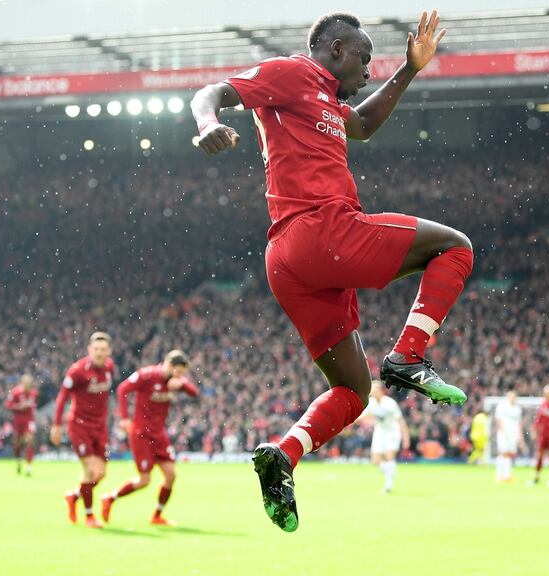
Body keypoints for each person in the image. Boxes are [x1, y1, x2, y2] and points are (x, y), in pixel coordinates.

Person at [191, 9, 473, 532]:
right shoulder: (293, 73)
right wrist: (209, 122)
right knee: (456, 249)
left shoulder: (325, 101)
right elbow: (211, 91)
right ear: (336, 49)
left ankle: (283, 455)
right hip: (322, 231)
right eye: (364, 59)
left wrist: (410, 70)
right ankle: (408, 358)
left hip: (290, 262)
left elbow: (362, 125)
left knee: (353, 392)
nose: (368, 69)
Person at [102, 350, 198, 526]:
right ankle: (110, 498)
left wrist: (183, 384)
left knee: (171, 475)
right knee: (144, 480)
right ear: (168, 365)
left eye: (182, 374)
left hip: (159, 434)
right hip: (141, 434)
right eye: (178, 372)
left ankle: (157, 515)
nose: (180, 376)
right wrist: (124, 418)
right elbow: (123, 389)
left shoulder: (176, 380)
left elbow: (194, 393)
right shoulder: (147, 375)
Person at [52, 332, 115, 529]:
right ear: (90, 350)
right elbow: (62, 396)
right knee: (90, 470)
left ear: (109, 352)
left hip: (100, 426)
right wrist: (56, 424)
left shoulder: (110, 367)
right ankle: (89, 516)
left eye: (103, 350)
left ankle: (75, 496)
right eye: (96, 349)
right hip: (79, 425)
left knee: (101, 474)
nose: (99, 353)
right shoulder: (77, 371)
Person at [356, 380, 410, 493]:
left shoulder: (390, 403)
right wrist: (353, 419)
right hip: (379, 432)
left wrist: (406, 439)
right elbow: (364, 416)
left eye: (374, 388)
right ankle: (391, 470)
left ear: (380, 390)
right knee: (375, 461)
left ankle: (388, 485)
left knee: (389, 457)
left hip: (392, 432)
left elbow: (401, 421)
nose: (372, 391)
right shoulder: (371, 402)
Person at [4, 374, 39, 476]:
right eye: (26, 383)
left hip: (29, 420)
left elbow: (34, 406)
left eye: (29, 383)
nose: (28, 385)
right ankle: (18, 460)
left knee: (30, 441)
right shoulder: (15, 392)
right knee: (18, 443)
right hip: (18, 420)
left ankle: (28, 467)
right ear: (22, 383)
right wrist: (19, 406)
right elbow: (8, 404)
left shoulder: (34, 393)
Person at [493, 391, 524, 483]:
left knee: (509, 454)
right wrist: (502, 432)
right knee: (503, 453)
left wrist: (520, 436)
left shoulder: (517, 409)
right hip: (503, 433)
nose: (513, 398)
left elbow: (519, 423)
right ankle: (500, 475)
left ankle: (506, 475)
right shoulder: (502, 406)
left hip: (513, 434)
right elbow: (498, 421)